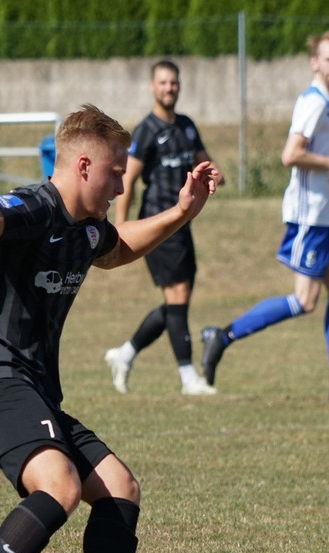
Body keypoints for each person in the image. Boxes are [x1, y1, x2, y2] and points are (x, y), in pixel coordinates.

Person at [0, 104, 218, 553]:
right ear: (84, 166)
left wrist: (182, 211)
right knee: (60, 485)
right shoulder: (36, 207)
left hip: (30, 387)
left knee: (119, 488)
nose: (122, 185)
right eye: (115, 173)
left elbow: (118, 248)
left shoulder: (84, 228)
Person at [200, 30, 329, 401]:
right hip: (309, 214)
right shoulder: (313, 101)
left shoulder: (327, 101)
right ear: (314, 63)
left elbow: (315, 151)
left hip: (326, 212)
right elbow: (291, 154)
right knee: (305, 300)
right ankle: (223, 336)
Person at [105, 60, 224, 396]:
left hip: (183, 224)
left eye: (173, 82)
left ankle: (125, 354)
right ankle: (188, 377)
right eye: (163, 82)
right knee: (178, 296)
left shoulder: (186, 125)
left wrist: (216, 174)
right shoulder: (145, 131)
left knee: (177, 303)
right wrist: (122, 226)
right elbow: (128, 180)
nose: (169, 88)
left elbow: (204, 160)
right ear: (152, 86)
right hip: (158, 222)